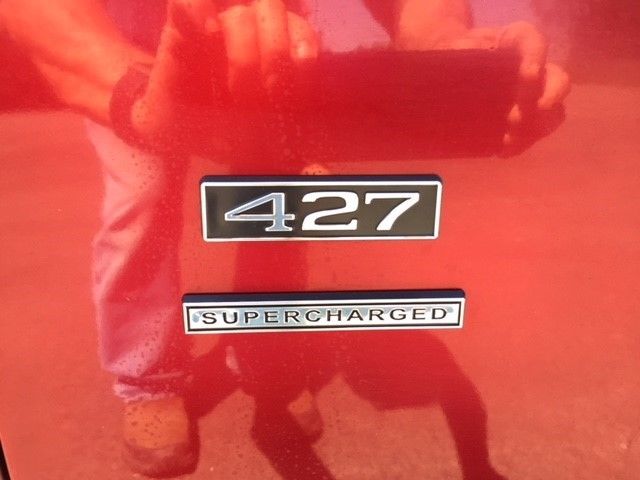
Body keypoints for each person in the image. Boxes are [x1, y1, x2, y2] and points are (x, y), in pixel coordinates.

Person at [0, 0, 570, 477]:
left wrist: (445, 46)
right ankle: (148, 381)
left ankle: (265, 356)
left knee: (276, 202)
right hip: (123, 43)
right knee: (143, 194)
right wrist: (130, 94)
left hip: (266, 49)